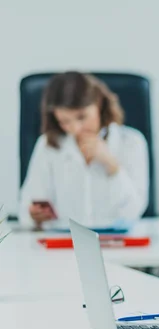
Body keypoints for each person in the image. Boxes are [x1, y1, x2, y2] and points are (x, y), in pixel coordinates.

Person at [19, 71, 149, 228]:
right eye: (64, 121)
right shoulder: (48, 145)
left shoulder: (131, 142)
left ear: (99, 104)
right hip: (60, 245)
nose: (75, 129)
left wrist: (112, 166)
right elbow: (25, 210)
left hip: (116, 244)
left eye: (82, 117)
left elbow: (133, 212)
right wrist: (34, 215)